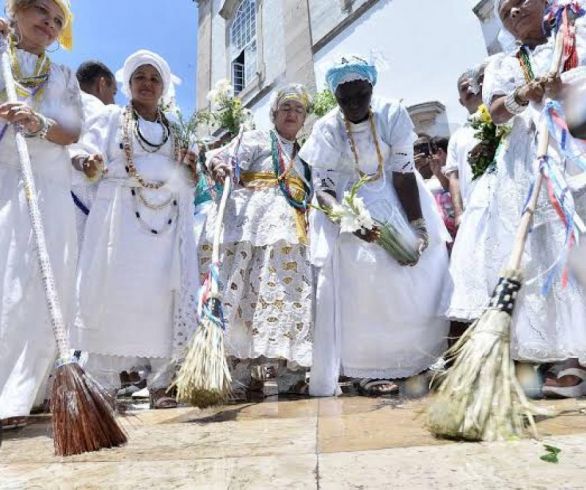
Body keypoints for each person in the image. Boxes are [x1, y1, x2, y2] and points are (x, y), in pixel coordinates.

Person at [454, 0, 586, 397]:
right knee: (550, 257)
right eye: (505, 10)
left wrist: (566, 88)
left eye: (521, 1)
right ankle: (569, 360)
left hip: (576, 149)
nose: (513, 12)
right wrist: (522, 96)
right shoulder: (503, 63)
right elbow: (495, 111)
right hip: (532, 163)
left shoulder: (573, 34)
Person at [300, 56, 451, 397]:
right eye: (345, 98)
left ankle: (418, 361)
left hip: (396, 198)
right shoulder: (326, 128)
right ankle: (366, 370)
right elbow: (322, 190)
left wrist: (417, 227)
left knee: (415, 280)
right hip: (348, 206)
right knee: (365, 289)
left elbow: (402, 174)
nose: (354, 104)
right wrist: (349, 222)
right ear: (335, 96)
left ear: (372, 88)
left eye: (361, 95)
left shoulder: (392, 114)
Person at [70, 50, 199, 409]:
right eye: (140, 77)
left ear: (163, 87)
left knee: (161, 299)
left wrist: (191, 169)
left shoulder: (176, 127)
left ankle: (162, 383)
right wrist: (87, 161)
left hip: (165, 228)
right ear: (128, 84)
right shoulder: (113, 117)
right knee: (115, 294)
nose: (147, 84)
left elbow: (189, 181)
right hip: (120, 221)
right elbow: (84, 152)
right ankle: (103, 384)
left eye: (154, 78)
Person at [0, 0, 82, 429]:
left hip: (47, 187)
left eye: (57, 21)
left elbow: (72, 131)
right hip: (3, 178)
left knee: (41, 286)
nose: (49, 24)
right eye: (40, 12)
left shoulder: (64, 76)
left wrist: (37, 125)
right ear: (13, 12)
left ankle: (18, 395)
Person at [204, 84, 314, 398]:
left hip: (290, 240)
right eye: (286, 108)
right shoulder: (256, 139)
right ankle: (237, 373)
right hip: (253, 232)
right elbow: (223, 158)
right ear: (274, 113)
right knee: (245, 302)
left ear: (304, 119)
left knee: (285, 298)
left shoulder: (303, 159)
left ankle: (287, 372)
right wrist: (221, 167)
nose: (292, 114)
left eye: (298, 110)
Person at [70, 60, 117, 248]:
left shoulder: (59, 96)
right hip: (84, 203)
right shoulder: (102, 111)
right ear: (102, 84)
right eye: (113, 92)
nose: (114, 101)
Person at [444, 67, 485, 226]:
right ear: (461, 101)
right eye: (463, 88)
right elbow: (454, 177)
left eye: (472, 85)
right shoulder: (457, 137)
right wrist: (459, 213)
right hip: (475, 208)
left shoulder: (502, 119)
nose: (469, 89)